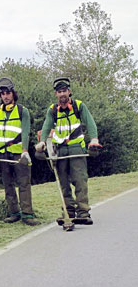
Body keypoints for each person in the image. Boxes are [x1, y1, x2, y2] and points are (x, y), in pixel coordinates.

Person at [35, 77, 101, 224]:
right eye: (59, 92)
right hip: (60, 149)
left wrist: (94, 139)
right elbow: (46, 127)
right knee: (63, 182)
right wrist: (42, 143)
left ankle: (83, 212)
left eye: (64, 91)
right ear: (55, 94)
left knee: (80, 180)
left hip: (77, 147)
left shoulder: (79, 106)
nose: (62, 94)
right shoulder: (52, 110)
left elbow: (90, 123)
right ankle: (68, 211)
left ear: (69, 92)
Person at [0, 77, 39, 226]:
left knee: (24, 183)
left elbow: (25, 132)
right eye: (2, 94)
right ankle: (14, 212)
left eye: (7, 93)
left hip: (18, 152)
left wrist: (24, 150)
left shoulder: (23, 111)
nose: (5, 96)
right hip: (2, 153)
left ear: (13, 94)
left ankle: (27, 214)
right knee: (8, 184)